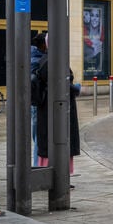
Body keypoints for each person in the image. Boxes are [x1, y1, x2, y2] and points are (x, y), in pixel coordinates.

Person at [34, 33, 81, 180]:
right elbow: (61, 84)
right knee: (57, 142)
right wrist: (76, 89)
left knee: (51, 143)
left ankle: (57, 176)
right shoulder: (53, 60)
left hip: (51, 108)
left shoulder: (47, 59)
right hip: (56, 109)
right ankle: (57, 177)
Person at [29, 33, 47, 166]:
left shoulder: (37, 57)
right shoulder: (37, 60)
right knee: (39, 136)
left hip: (36, 101)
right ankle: (37, 165)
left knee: (39, 135)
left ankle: (39, 165)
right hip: (38, 101)